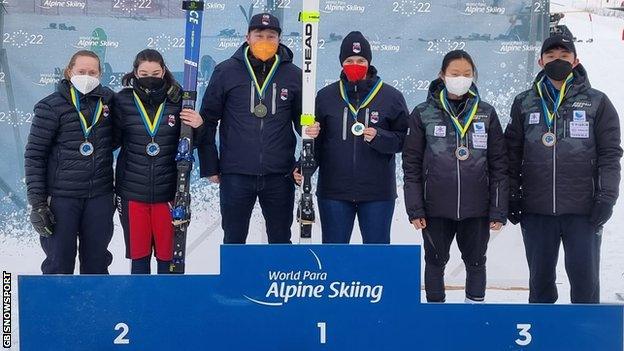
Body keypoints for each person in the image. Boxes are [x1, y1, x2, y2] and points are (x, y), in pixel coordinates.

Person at [505, 35, 622, 304]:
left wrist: (606, 197)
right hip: (537, 211)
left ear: (576, 60)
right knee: (540, 284)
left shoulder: (597, 102)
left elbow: (610, 154)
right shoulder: (524, 102)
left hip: (583, 211)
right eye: (551, 56)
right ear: (540, 61)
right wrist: (512, 194)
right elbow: (511, 153)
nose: (557, 60)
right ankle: (543, 340)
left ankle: (583, 341)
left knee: (585, 284)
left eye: (564, 55)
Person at [198, 13, 319, 244]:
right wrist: (210, 165)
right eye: (259, 35)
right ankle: (235, 281)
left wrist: (304, 156)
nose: (265, 40)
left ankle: (278, 280)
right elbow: (208, 120)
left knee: (281, 238)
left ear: (279, 39)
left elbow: (302, 124)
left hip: (279, 174)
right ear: (248, 37)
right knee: (234, 238)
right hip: (236, 173)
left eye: (271, 36)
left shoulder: (294, 75)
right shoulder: (226, 71)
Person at [402, 50, 508, 303]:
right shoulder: (423, 113)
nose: (461, 78)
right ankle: (436, 318)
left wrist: (498, 209)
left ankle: (473, 317)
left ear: (474, 77)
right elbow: (412, 164)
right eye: (455, 74)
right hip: (435, 208)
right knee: (435, 262)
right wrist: (415, 208)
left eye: (467, 74)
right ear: (442, 75)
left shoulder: (486, 113)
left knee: (475, 263)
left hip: (477, 209)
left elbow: (499, 165)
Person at [294, 31, 408, 244]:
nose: (355, 64)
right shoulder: (326, 96)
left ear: (369, 62)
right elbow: (316, 141)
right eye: (349, 60)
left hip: (377, 193)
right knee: (334, 255)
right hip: (334, 191)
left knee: (377, 254)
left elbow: (404, 139)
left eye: (360, 60)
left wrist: (379, 137)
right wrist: (302, 168)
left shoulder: (391, 97)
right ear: (341, 63)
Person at [112, 49, 204, 274]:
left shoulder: (179, 99)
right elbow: (110, 140)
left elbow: (193, 143)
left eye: (155, 72)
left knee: (168, 259)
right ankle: (140, 307)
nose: (149, 77)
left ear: (163, 72)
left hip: (169, 194)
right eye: (143, 73)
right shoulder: (122, 100)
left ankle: (169, 307)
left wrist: (199, 126)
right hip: (133, 194)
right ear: (135, 72)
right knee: (139, 259)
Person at [25, 50, 115, 274]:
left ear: (100, 74)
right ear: (69, 72)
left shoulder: (110, 102)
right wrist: (37, 203)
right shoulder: (51, 106)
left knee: (97, 264)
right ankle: (56, 309)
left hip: (99, 196)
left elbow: (127, 131)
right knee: (59, 263)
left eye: (92, 72)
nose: (87, 76)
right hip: (62, 199)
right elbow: (35, 155)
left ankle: (94, 309)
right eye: (81, 71)